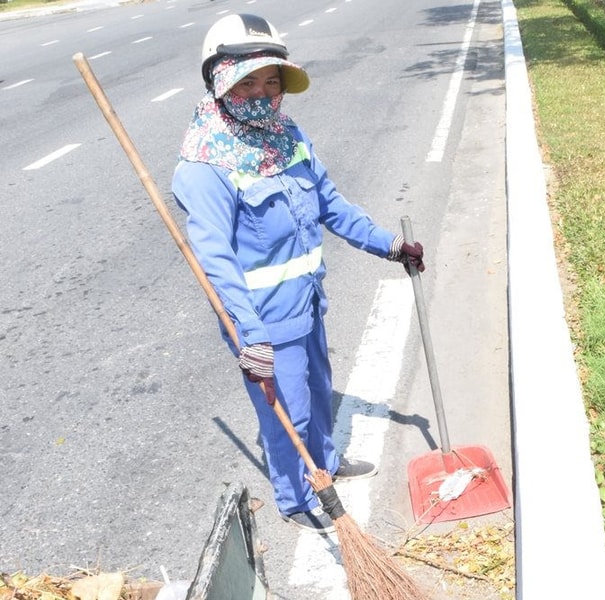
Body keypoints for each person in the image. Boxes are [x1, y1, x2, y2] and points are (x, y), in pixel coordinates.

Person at [171, 13, 424, 534]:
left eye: (271, 80)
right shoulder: (205, 164)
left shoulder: (286, 135)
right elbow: (214, 259)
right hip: (261, 319)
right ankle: (295, 496)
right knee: (288, 418)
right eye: (247, 81)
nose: (262, 91)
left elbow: (331, 205)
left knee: (317, 388)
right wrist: (250, 335)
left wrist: (390, 245)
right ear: (218, 81)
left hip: (307, 301)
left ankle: (326, 468)